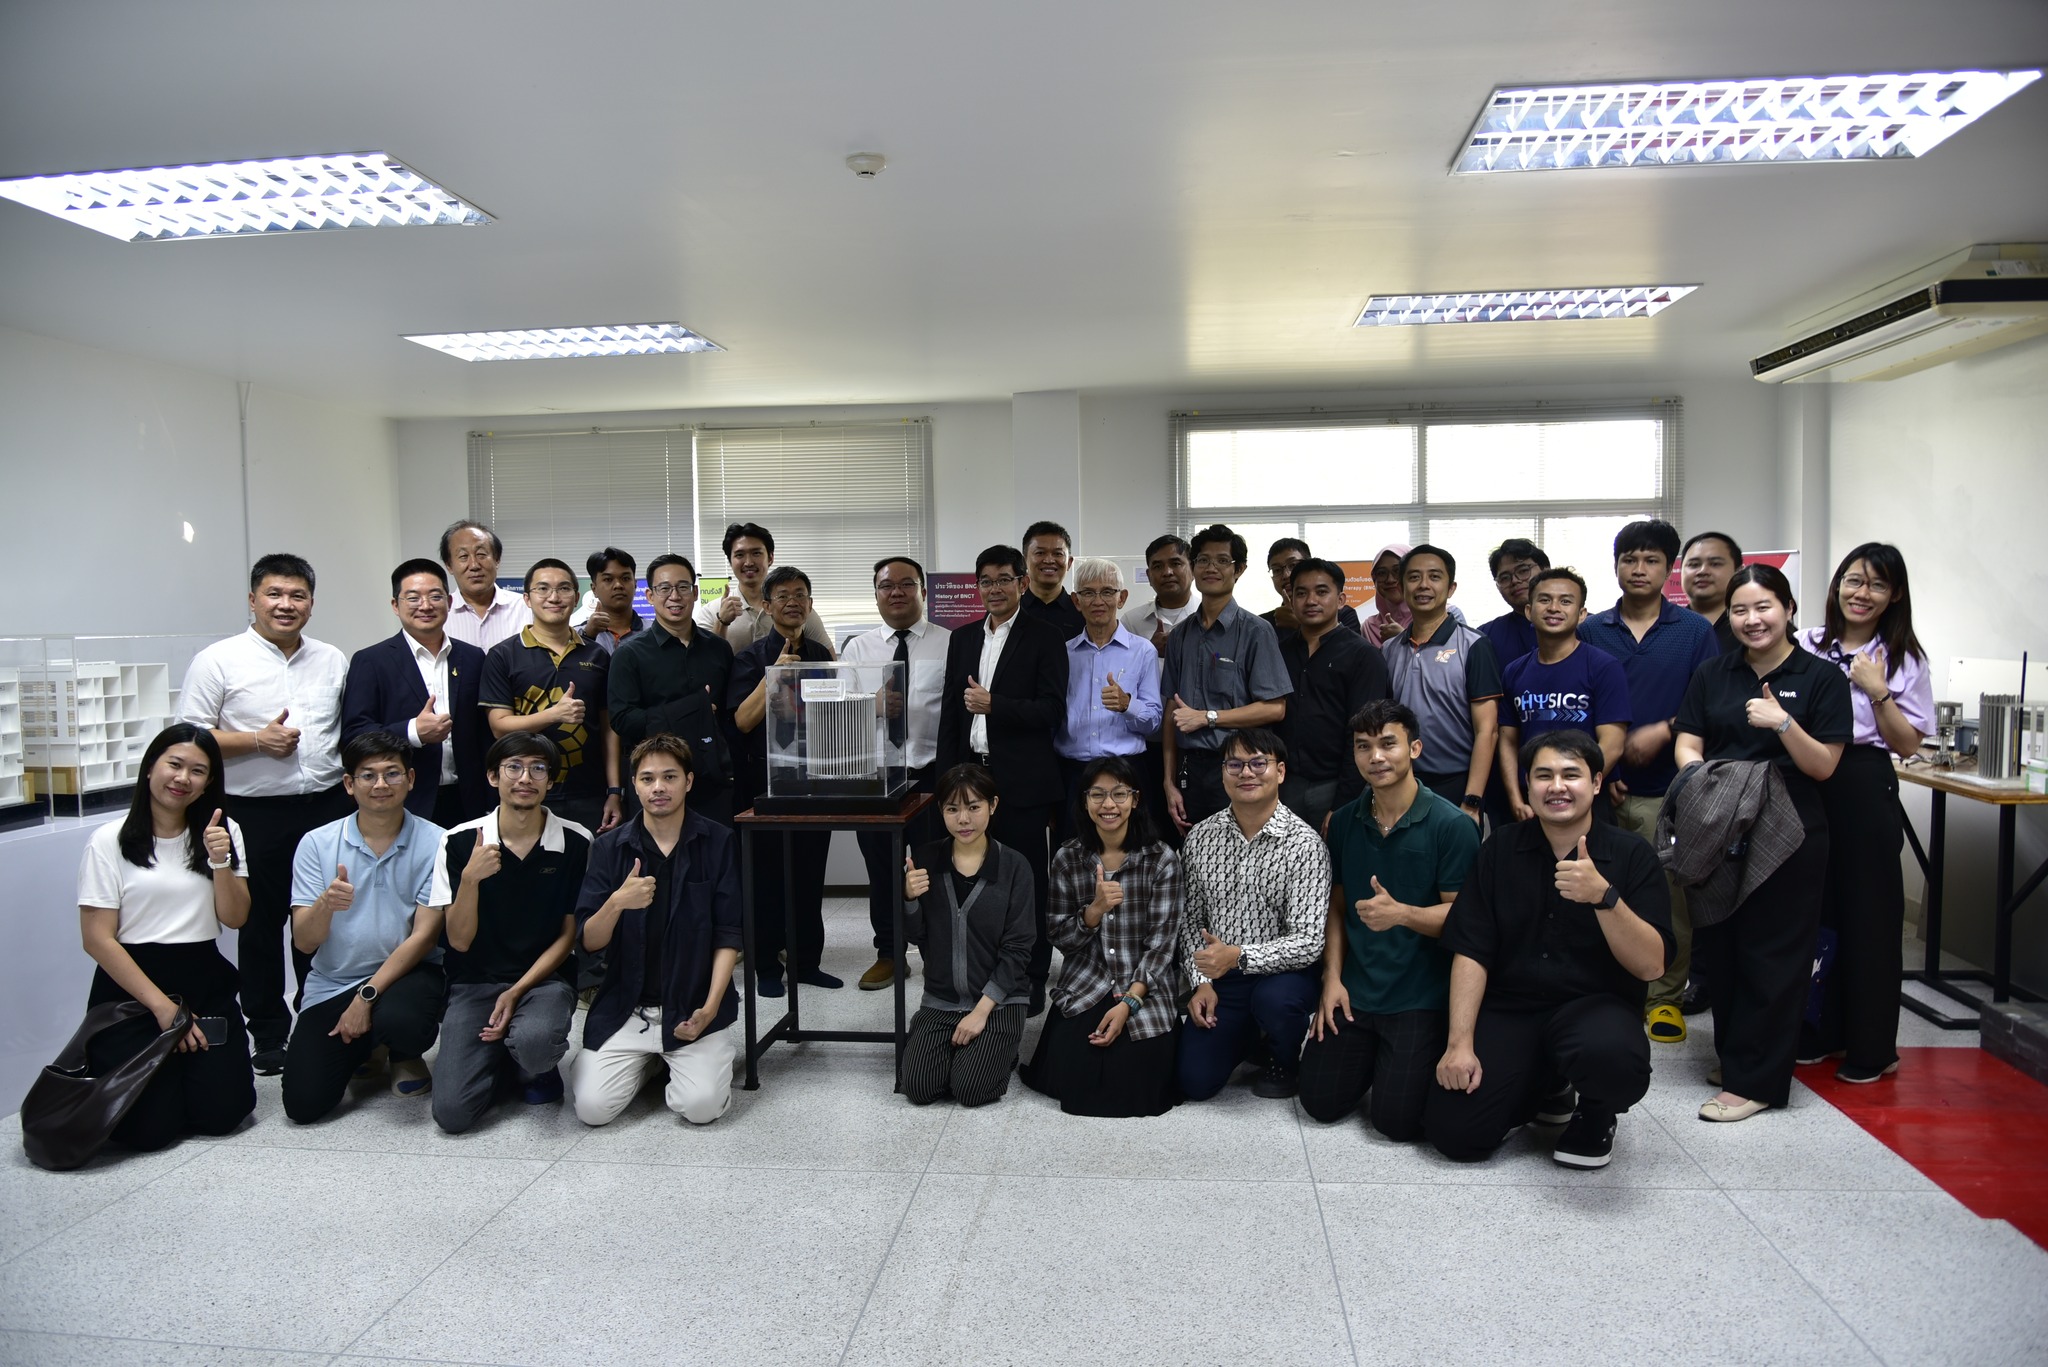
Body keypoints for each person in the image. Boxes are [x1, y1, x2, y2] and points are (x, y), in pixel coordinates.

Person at [1425, 731, 1673, 1168]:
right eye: (1544, 775)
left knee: (1613, 1060)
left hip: (1595, 1009)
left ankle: (1596, 1110)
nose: (1557, 786)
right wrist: (1459, 1043)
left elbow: (1652, 965)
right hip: (1512, 1008)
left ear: (1596, 782)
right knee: (1456, 1135)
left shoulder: (1632, 854)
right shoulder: (1501, 848)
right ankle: (1546, 1084)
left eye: (1571, 774)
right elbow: (1471, 948)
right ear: (1528, 784)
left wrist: (1605, 898)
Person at [1675, 564, 1851, 1122]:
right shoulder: (1713, 672)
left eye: (1764, 607)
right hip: (1721, 822)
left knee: (1773, 952)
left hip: (1790, 825)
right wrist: (1703, 782)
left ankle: (1758, 1081)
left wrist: (1782, 723)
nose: (1752, 620)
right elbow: (1688, 741)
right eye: (1740, 610)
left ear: (1789, 609)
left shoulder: (1821, 678)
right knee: (1723, 945)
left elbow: (1824, 765)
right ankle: (1739, 1059)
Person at [179, 552, 350, 1076]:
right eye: (274, 594)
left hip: (326, 807)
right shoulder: (218, 660)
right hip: (252, 813)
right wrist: (256, 740)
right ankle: (270, 1034)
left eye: (298, 595)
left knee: (322, 917)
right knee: (259, 927)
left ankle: (317, 1018)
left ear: (312, 604)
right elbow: (189, 738)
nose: (285, 604)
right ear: (253, 600)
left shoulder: (332, 659)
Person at [1298, 701, 1477, 1142]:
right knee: (1319, 1103)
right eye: (1363, 746)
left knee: (1396, 1123)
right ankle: (1377, 1059)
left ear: (1414, 748)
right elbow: (1336, 907)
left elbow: (1467, 921)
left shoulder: (1452, 825)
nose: (1375, 756)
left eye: (1388, 744)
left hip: (1419, 995)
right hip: (1357, 990)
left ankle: (1399, 1064)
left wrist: (1403, 915)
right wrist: (1331, 979)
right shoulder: (1343, 821)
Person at [75, 724, 256, 1151]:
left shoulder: (222, 832)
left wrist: (220, 861)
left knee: (223, 1116)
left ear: (209, 782)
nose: (182, 778)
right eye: (174, 764)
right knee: (147, 1132)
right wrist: (164, 1009)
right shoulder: (108, 840)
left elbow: (235, 917)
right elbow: (97, 939)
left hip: (203, 979)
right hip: (132, 990)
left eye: (198, 771)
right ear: (150, 767)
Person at [1578, 519, 1723, 1043]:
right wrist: (1608, 768)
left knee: (1668, 897)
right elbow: (1582, 705)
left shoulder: (1695, 632)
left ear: (1669, 568)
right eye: (1629, 559)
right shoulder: (1592, 629)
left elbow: (1711, 702)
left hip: (1670, 789)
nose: (1639, 569)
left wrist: (1665, 729)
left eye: (1651, 560)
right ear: (1615, 565)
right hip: (1601, 788)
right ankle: (1608, 990)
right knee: (1595, 890)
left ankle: (1664, 998)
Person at [1799, 543, 1934, 1084]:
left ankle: (1873, 1047)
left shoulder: (1903, 658)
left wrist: (1878, 693)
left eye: (1877, 584)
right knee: (1814, 911)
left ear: (1894, 595)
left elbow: (1907, 745)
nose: (1862, 593)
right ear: (1837, 585)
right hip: (1806, 777)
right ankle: (1819, 1031)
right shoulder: (1806, 643)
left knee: (1869, 915)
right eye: (1854, 580)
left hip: (1862, 780)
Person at [571, 735, 743, 1126]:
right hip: (627, 1009)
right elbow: (589, 941)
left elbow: (728, 935)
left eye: (670, 776)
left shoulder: (718, 841)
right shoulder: (609, 848)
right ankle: (649, 1062)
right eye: (647, 778)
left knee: (701, 1108)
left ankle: (676, 1058)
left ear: (689, 781)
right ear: (634, 784)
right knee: (592, 1110)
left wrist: (710, 1009)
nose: (658, 787)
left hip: (692, 1007)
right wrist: (616, 903)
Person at [283, 731, 447, 1123]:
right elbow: (304, 942)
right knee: (304, 1105)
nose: (380, 785)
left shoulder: (437, 841)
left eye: (392, 773)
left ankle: (402, 1051)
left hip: (407, 975)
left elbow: (425, 936)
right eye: (368, 775)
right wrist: (325, 904)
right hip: (334, 981)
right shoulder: (316, 844)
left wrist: (365, 998)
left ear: (410, 779)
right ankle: (369, 1046)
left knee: (403, 1020)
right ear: (348, 784)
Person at [428, 734, 587, 1132]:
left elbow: (568, 935)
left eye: (538, 768)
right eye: (513, 767)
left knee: (536, 1046)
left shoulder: (577, 841)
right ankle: (499, 1057)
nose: (525, 778)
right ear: (492, 777)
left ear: (551, 780)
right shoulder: (458, 840)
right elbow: (459, 941)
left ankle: (530, 1062)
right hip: (474, 982)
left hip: (544, 981)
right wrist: (470, 880)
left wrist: (516, 992)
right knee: (452, 1115)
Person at [937, 544, 1069, 1011]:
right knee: (973, 878)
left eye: (1004, 579)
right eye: (986, 581)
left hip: (1023, 781)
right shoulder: (962, 638)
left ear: (1022, 583)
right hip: (971, 777)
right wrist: (948, 780)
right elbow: (951, 713)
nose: (994, 589)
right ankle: (981, 971)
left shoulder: (1046, 636)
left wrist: (996, 705)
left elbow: (1052, 710)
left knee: (1026, 881)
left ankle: (1031, 976)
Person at [1022, 756, 1182, 1117]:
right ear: (1084, 802)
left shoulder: (1161, 859)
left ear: (1135, 799)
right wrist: (1092, 912)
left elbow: (1162, 947)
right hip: (1088, 980)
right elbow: (1059, 937)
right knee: (1077, 1072)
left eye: (1119, 794)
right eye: (1097, 794)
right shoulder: (1067, 858)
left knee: (1136, 1077)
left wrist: (1129, 1004)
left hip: (1143, 986)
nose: (1109, 804)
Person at [1177, 729, 1328, 1101]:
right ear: (1223, 773)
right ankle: (1249, 1034)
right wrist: (1201, 982)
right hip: (1223, 977)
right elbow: (1191, 920)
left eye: (1259, 763)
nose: (1246, 773)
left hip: (1284, 976)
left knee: (1276, 1002)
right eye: (1235, 764)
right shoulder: (1200, 837)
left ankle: (1283, 1058)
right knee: (1194, 1082)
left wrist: (1240, 956)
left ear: (1280, 772)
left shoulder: (1305, 844)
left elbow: (1309, 942)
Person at [841, 556, 952, 990]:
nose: (897, 592)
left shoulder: (950, 642)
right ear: (876, 595)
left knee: (934, 867)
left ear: (923, 591)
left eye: (907, 584)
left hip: (931, 776)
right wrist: (871, 706)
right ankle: (889, 952)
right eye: (887, 586)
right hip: (875, 777)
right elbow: (837, 716)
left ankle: (936, 951)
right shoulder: (857, 648)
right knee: (882, 868)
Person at [729, 566, 841, 994]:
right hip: (763, 783)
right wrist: (773, 675)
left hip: (814, 780)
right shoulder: (749, 657)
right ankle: (766, 969)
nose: (793, 602)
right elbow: (742, 721)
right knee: (766, 879)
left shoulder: (821, 654)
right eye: (783, 595)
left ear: (810, 605)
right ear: (767, 604)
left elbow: (832, 715)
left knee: (810, 875)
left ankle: (807, 963)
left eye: (800, 595)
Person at [899, 764, 1036, 1106]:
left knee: (970, 1090)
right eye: (952, 809)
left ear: (993, 805)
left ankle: (1000, 1053)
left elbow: (1019, 950)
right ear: (941, 810)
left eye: (974, 807)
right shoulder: (925, 859)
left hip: (1000, 1001)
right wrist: (909, 899)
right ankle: (964, 1056)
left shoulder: (1015, 866)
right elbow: (917, 937)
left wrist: (981, 1012)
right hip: (941, 999)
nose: (964, 819)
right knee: (918, 1088)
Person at [342, 558, 492, 830]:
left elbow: (484, 733)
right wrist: (413, 732)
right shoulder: (371, 661)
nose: (425, 605)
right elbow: (354, 735)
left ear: (448, 601)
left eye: (435, 596)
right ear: (395, 605)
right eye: (413, 598)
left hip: (467, 801)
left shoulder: (473, 658)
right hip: (404, 801)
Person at [1160, 524, 1292, 833]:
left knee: (1243, 853)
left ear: (1239, 569)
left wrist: (1207, 717)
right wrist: (1168, 782)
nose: (1211, 568)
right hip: (1190, 770)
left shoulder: (1256, 631)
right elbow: (1171, 712)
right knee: (1194, 851)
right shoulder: (1180, 636)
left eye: (1222, 561)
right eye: (1203, 560)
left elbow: (1275, 708)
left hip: (1242, 768)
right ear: (1193, 567)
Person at [481, 557, 623, 834]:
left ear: (577, 597)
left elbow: (609, 729)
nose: (554, 597)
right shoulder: (503, 655)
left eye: (564, 589)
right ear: (527, 598)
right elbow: (499, 727)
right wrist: (553, 715)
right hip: (524, 788)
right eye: (543, 589)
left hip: (588, 792)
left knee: (589, 859)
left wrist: (614, 791)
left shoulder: (597, 655)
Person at [609, 553, 737, 825]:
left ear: (695, 593)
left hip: (712, 782)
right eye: (664, 588)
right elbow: (622, 720)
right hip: (655, 784)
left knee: (716, 850)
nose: (674, 596)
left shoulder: (719, 649)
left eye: (682, 587)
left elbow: (729, 716)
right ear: (650, 596)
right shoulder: (629, 654)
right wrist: (692, 709)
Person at [1380, 544, 1501, 826]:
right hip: (1403, 782)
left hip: (1456, 784)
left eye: (1434, 577)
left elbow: (1488, 730)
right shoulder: (1389, 649)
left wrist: (1472, 801)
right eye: (1414, 577)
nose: (1423, 585)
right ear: (1403, 587)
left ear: (1451, 588)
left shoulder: (1474, 645)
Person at [1496, 568, 1631, 819]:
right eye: (1544, 600)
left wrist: (1575, 793)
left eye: (1565, 601)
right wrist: (1515, 799)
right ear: (1529, 611)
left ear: (1581, 615)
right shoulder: (1514, 672)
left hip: (1586, 802)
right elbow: (1508, 741)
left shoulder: (1603, 667)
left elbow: (1612, 745)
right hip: (1531, 803)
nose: (1554, 608)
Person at [1276, 558, 1389, 835]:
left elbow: (1364, 732)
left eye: (1321, 591)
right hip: (1285, 784)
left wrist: (1343, 802)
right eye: (1301, 593)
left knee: (1336, 859)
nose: (1310, 600)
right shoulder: (1280, 652)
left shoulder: (1363, 656)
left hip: (1336, 785)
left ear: (1341, 600)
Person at [1054, 558, 1161, 843]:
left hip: (1127, 771)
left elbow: (1154, 722)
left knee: (1132, 854)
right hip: (1073, 774)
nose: (1098, 601)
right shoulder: (1063, 654)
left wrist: (1128, 705)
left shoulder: (1143, 651)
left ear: (1121, 598)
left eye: (1107, 592)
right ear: (1076, 601)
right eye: (1088, 593)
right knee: (1072, 855)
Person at [696, 521, 832, 653]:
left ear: (770, 558)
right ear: (730, 561)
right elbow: (702, 663)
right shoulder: (711, 612)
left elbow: (829, 661)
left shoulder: (796, 609)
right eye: (739, 555)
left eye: (756, 553)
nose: (748, 562)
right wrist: (721, 622)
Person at [440, 520, 532, 652]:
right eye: (463, 556)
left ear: (497, 560)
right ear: (449, 565)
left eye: (481, 554)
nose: (474, 565)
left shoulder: (527, 608)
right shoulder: (440, 615)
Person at [1259, 538, 1362, 638]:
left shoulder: (1343, 614)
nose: (1286, 575)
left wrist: (1299, 623)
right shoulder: (1262, 624)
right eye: (1277, 570)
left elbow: (1348, 647)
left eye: (1293, 565)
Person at [1478, 537, 1548, 672]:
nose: (1514, 581)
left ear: (1546, 571)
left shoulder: (1583, 626)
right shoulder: (1485, 636)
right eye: (1504, 578)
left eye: (1523, 571)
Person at [1122, 534, 1197, 656]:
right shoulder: (1131, 622)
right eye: (1158, 566)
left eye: (1176, 564)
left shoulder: (1209, 617)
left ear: (1193, 570)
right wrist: (1149, 650)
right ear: (1149, 576)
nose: (1167, 572)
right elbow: (1121, 666)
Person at [1019, 520, 1086, 640]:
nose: (1049, 560)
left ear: (1069, 563)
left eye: (1058, 554)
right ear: (1024, 562)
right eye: (1040, 553)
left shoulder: (1083, 612)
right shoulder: (1010, 611)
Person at [1680, 530, 1745, 655]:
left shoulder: (1751, 626)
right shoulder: (1665, 627)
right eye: (1694, 565)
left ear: (1738, 572)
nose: (1702, 571)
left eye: (1715, 564)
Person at [575, 546, 644, 654]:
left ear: (635, 585)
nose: (618, 585)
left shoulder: (654, 632)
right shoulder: (575, 636)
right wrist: (588, 636)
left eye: (625, 578)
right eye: (608, 579)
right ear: (594, 589)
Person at [1362, 543, 1413, 646]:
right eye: (1381, 573)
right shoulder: (1369, 627)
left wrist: (1402, 638)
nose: (1390, 580)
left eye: (1397, 571)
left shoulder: (1434, 620)